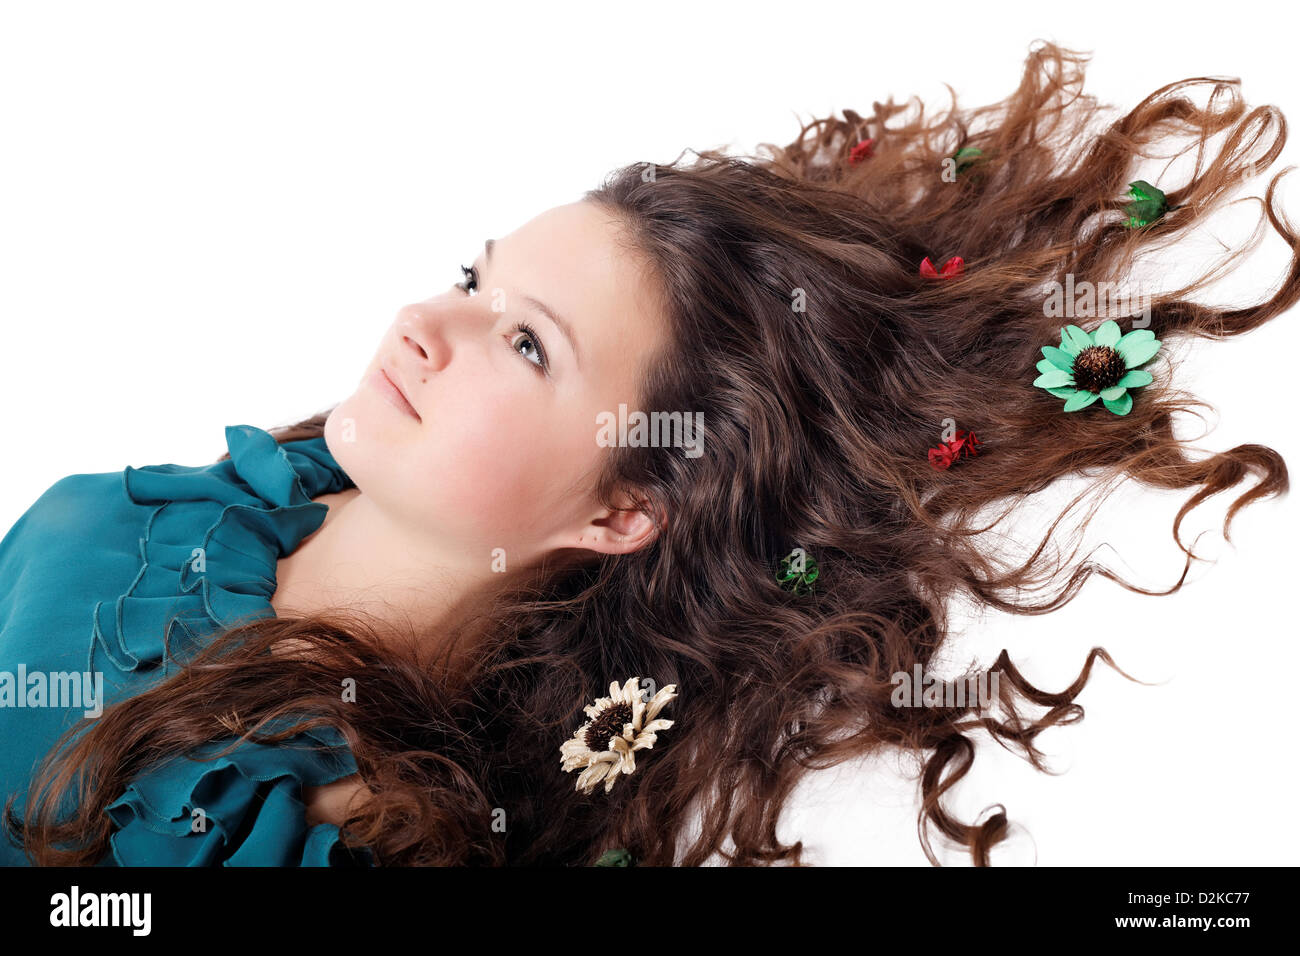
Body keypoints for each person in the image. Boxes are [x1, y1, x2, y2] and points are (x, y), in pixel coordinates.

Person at [2, 41, 1296, 866]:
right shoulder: (126, 520)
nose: (422, 324)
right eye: (473, 278)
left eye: (525, 346)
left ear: (626, 510)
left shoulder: (348, 835)